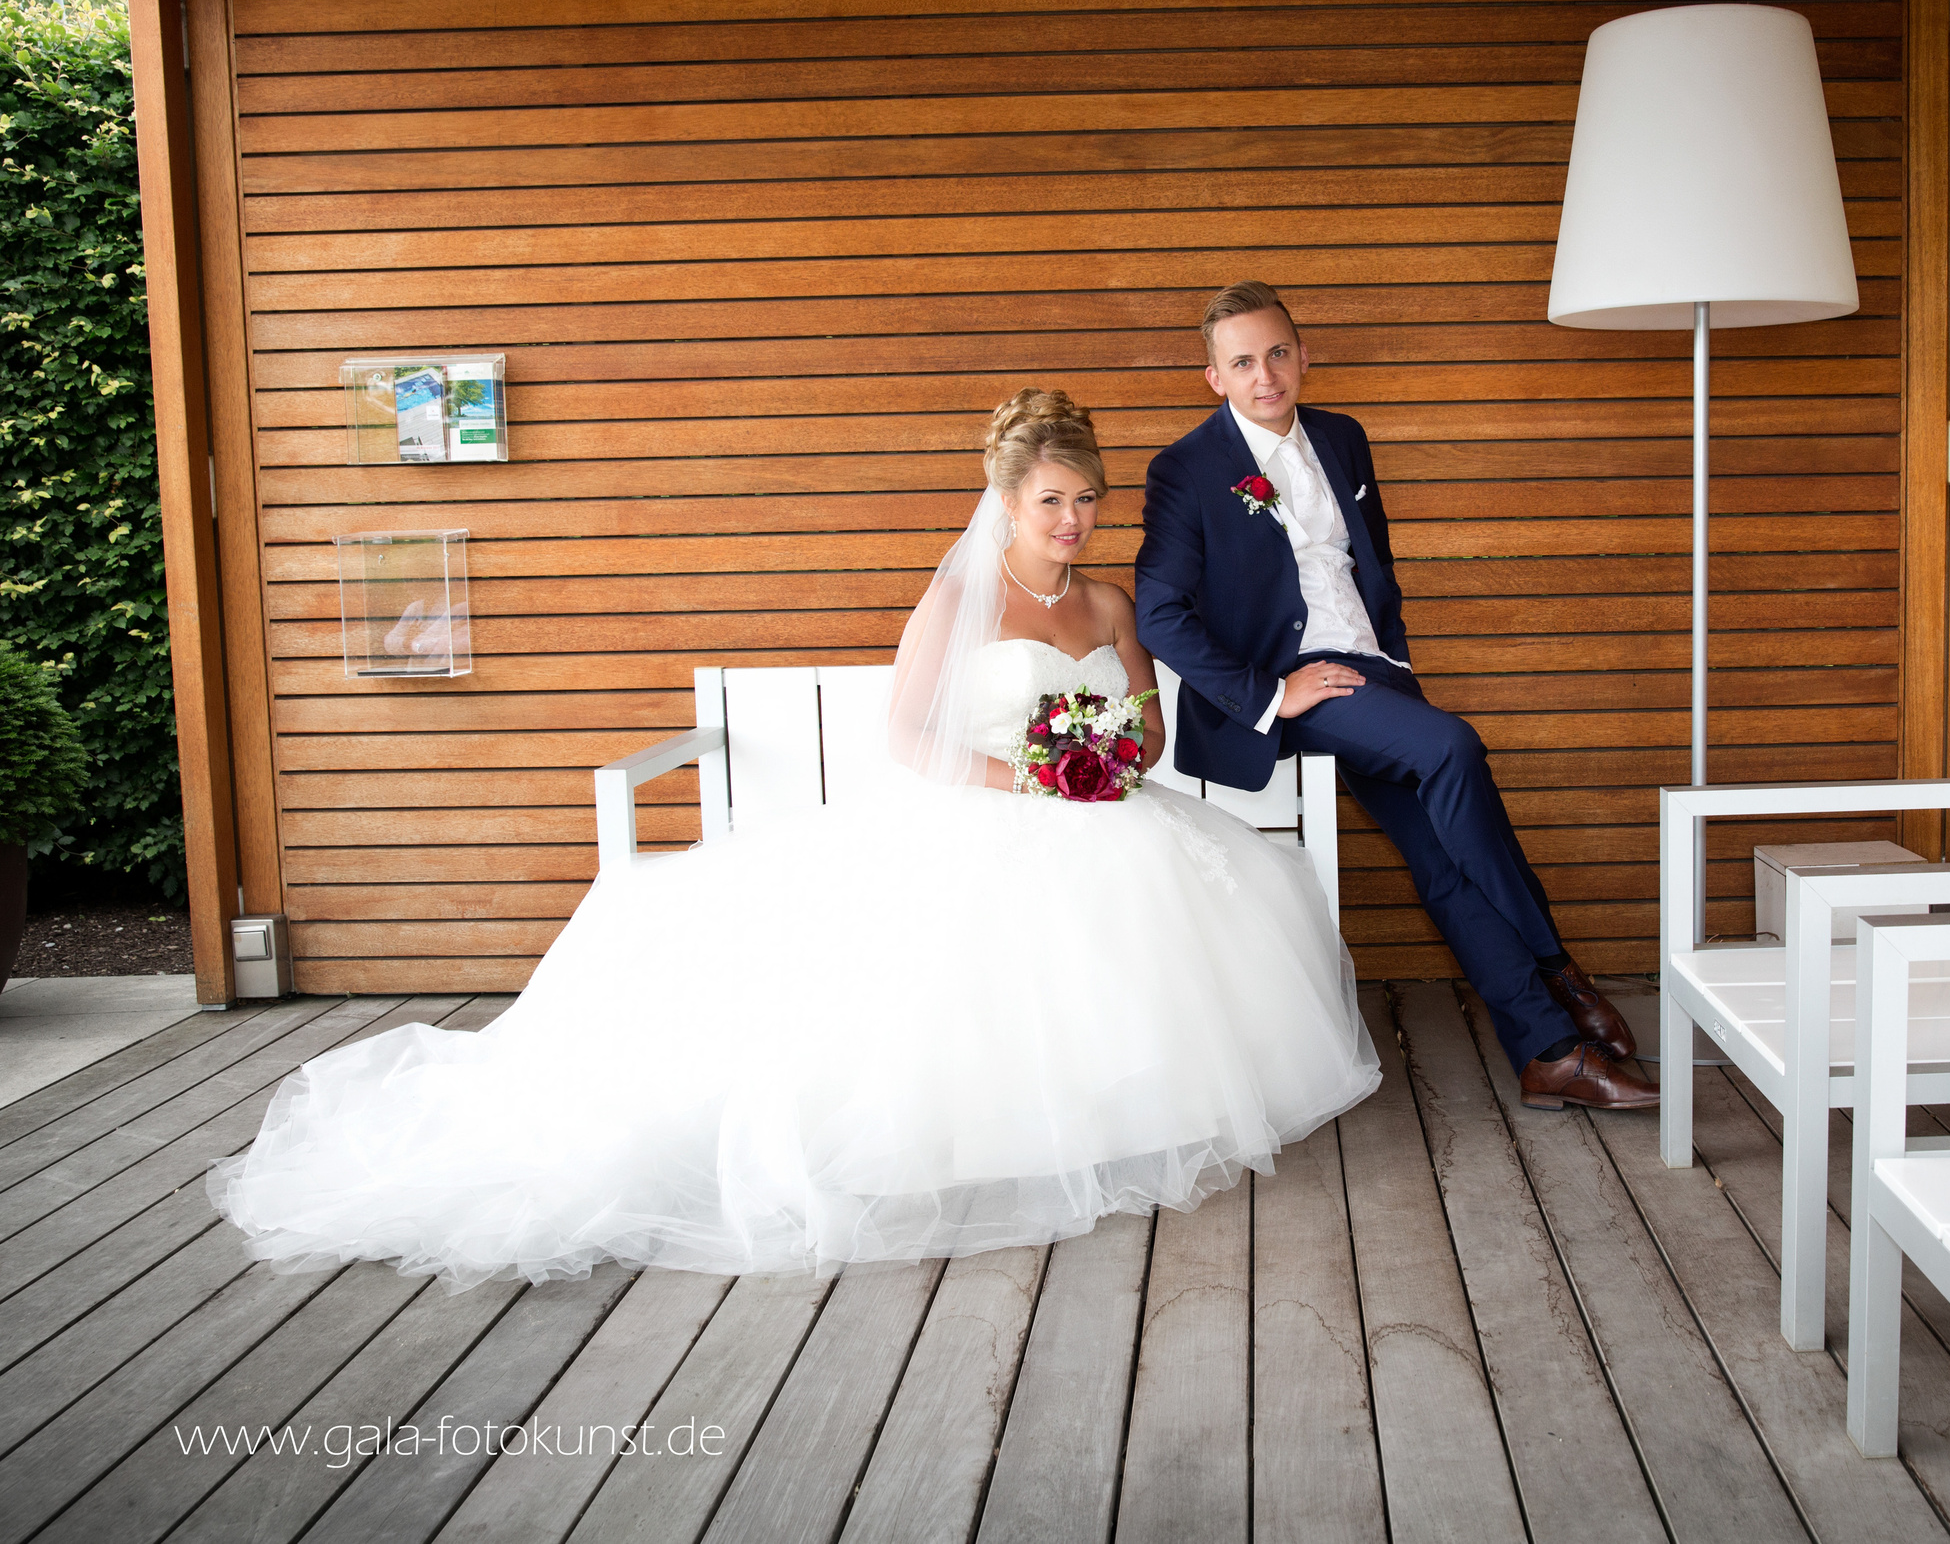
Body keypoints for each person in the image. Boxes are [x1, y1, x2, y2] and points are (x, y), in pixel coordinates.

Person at [208, 390, 1378, 1292]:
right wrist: (1033, 770)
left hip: (1100, 811)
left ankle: (1132, 1117)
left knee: (1176, 907)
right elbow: (910, 739)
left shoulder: (1111, 604)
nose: (1074, 524)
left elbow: (1147, 723)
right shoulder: (960, 598)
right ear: (1007, 504)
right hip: (980, 814)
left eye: (1088, 503)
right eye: (1052, 504)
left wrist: (1106, 758)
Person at [1136, 282, 1658, 1112]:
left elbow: (1372, 569)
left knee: (1442, 859)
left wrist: (1397, 664)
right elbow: (1159, 611)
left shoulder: (1342, 438)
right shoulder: (1187, 469)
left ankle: (1549, 1053)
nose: (1265, 375)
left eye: (1277, 353)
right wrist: (1274, 692)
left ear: (1303, 354)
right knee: (1452, 747)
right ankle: (1556, 962)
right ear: (1215, 378)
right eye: (1242, 362)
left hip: (1377, 678)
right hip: (1300, 688)